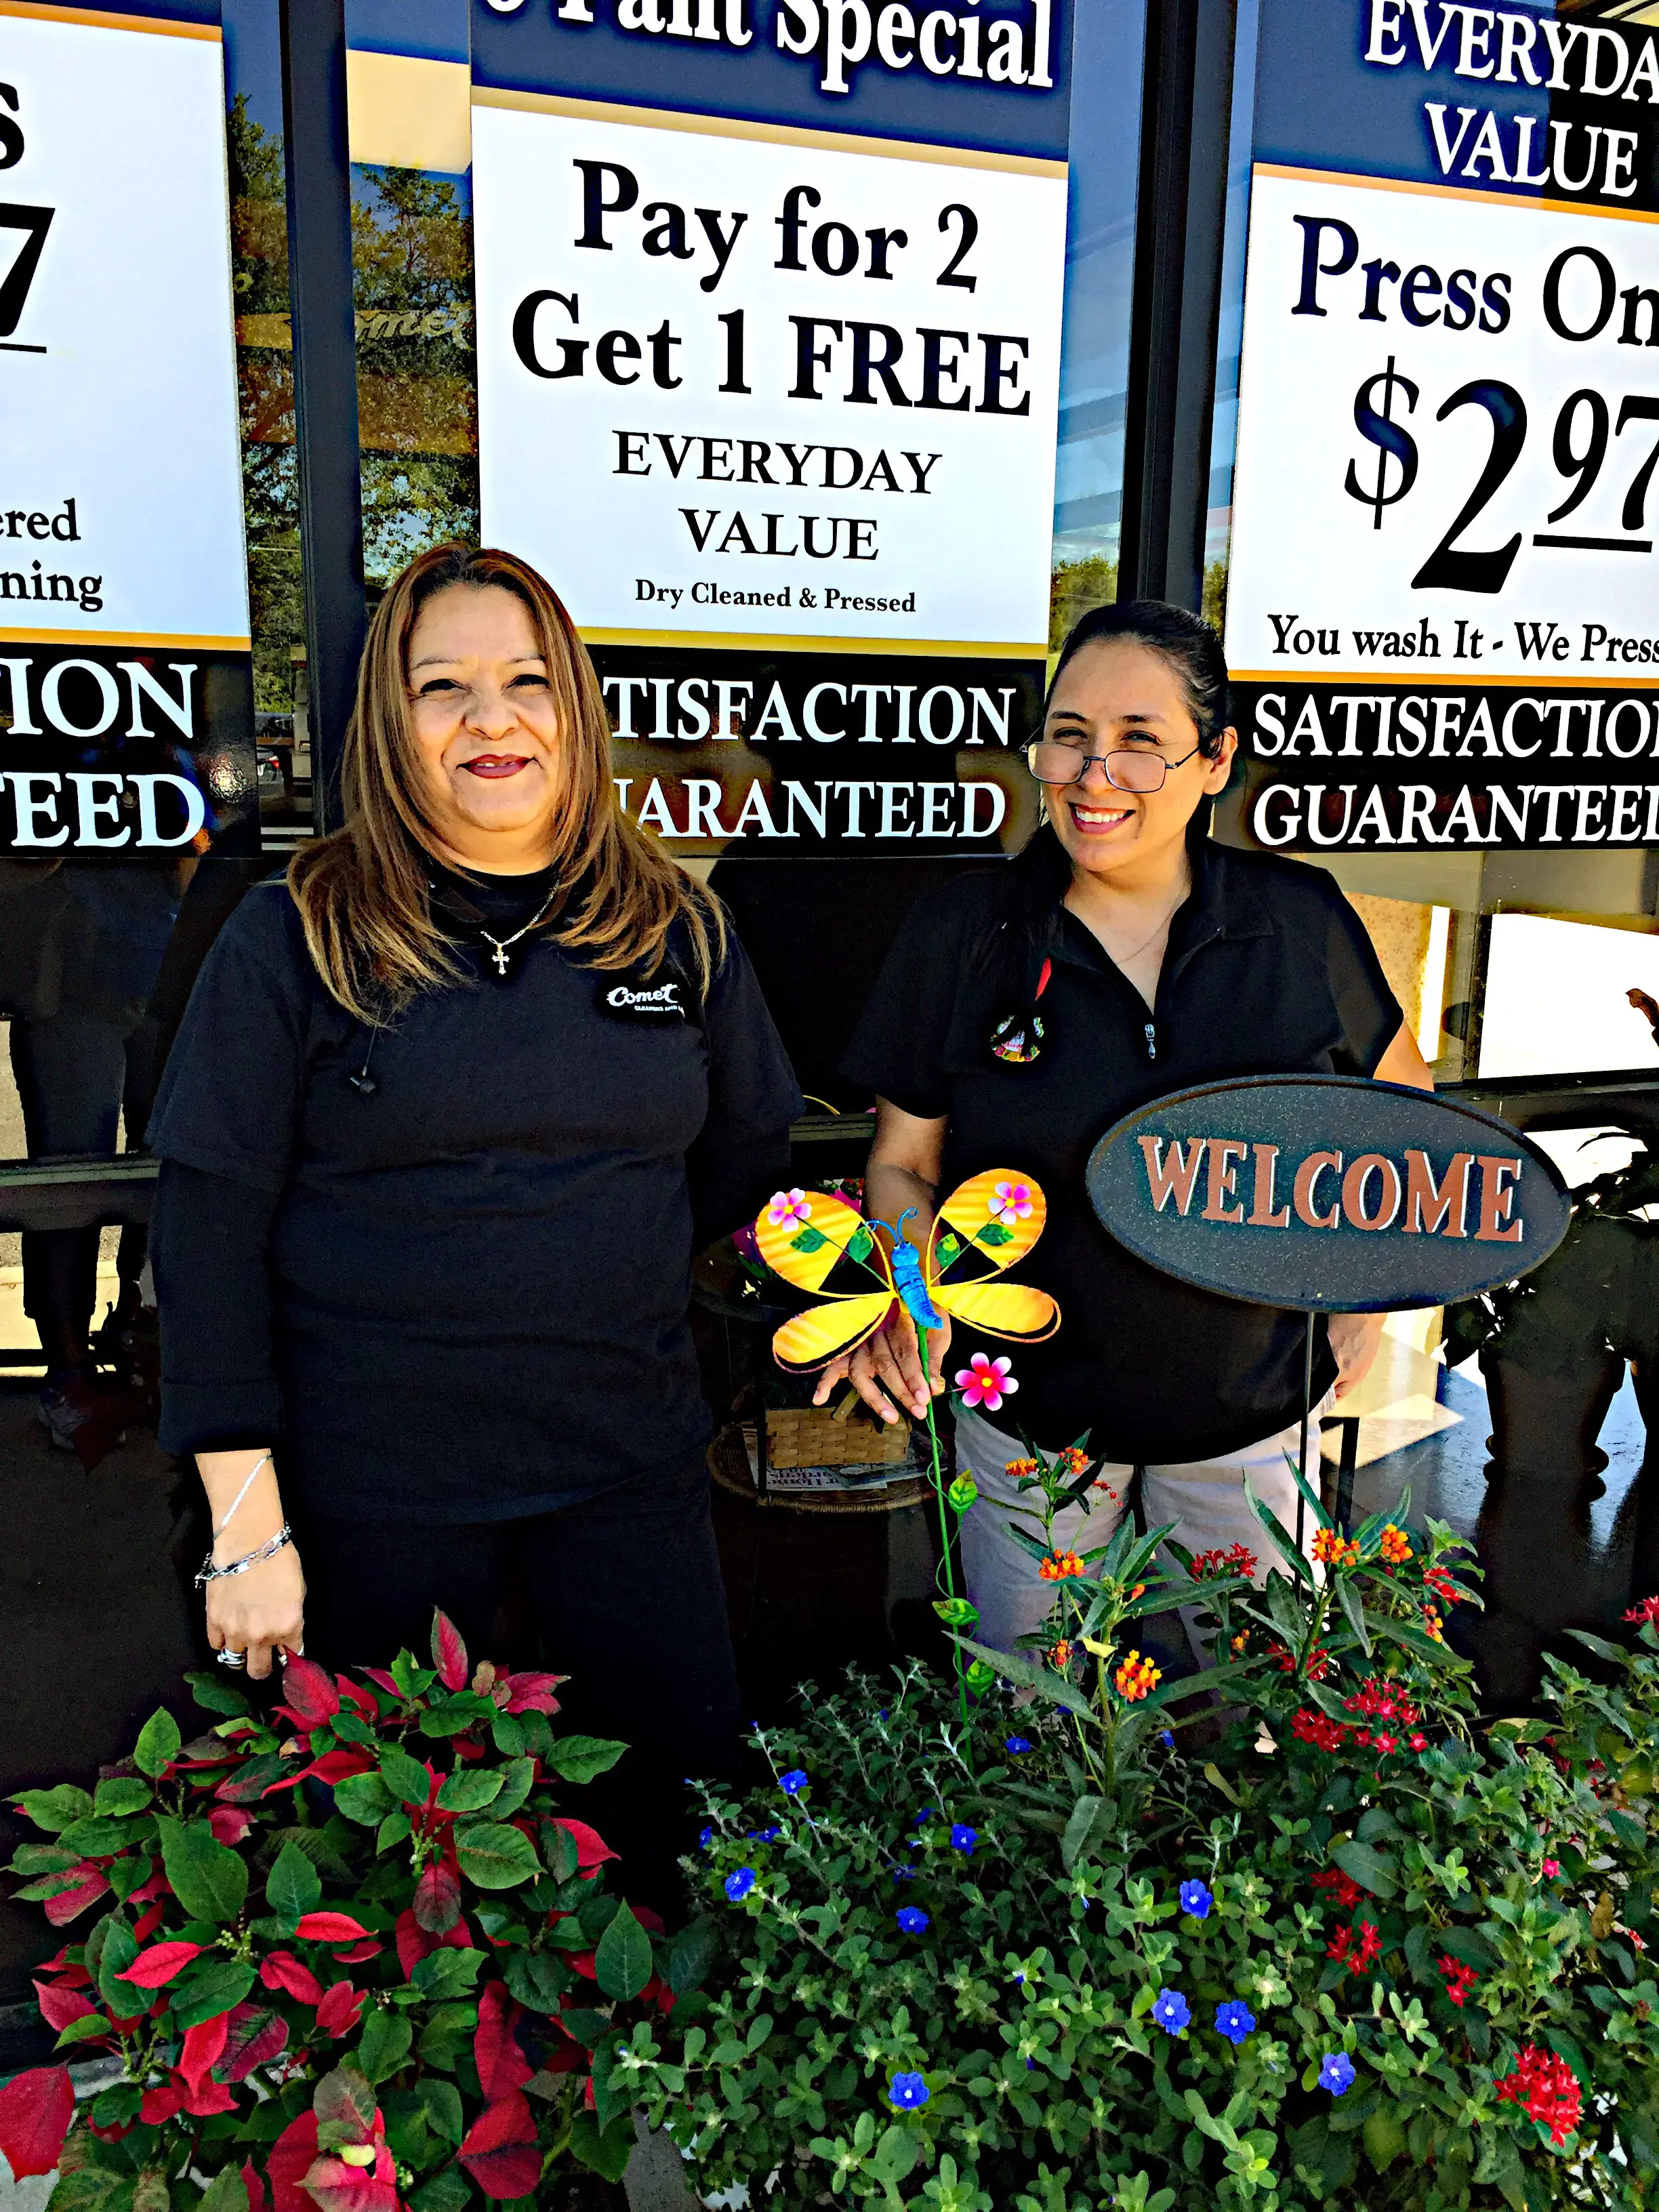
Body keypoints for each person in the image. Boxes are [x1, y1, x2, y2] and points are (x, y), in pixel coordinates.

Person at [146, 544, 802, 1877]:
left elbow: (742, 1162)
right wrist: (244, 1523)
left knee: (678, 1850)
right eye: (442, 687)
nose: (491, 720)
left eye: (522, 682)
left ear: (575, 702)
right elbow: (207, 1241)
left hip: (629, 1474)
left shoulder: (676, 929)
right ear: (393, 725)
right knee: (401, 1895)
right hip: (375, 1500)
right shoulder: (299, 934)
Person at [825, 600, 1434, 1657]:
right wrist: (920, 1291)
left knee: (1250, 1730)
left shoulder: (1295, 921)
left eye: (1140, 743)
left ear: (1216, 761)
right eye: (1069, 735)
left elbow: (1407, 1131)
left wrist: (1368, 1295)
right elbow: (901, 1165)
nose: (1093, 774)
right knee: (1039, 1733)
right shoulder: (967, 931)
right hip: (1026, 1422)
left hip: (1248, 1414)